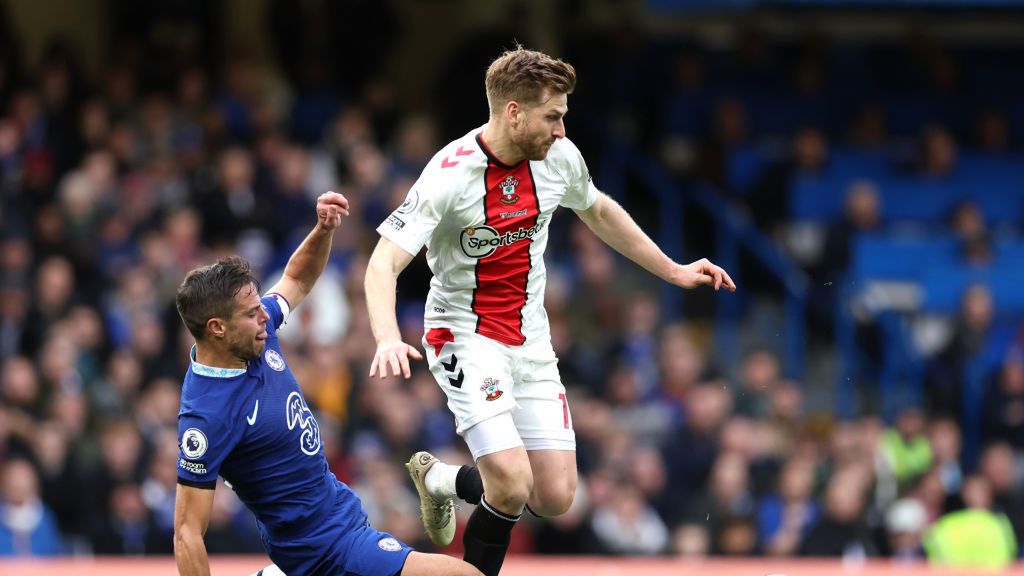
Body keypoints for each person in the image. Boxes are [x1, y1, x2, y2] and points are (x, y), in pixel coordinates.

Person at [365, 46, 735, 575]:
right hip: (464, 335)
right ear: (513, 111)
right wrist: (384, 336)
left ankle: (441, 480)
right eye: (553, 116)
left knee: (556, 497)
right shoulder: (449, 174)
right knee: (512, 483)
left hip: (530, 339)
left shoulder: (559, 158)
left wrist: (673, 269)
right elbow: (382, 264)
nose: (562, 129)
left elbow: (599, 210)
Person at [173, 191, 480, 576]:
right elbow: (187, 533)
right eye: (253, 314)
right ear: (217, 329)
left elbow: (297, 277)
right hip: (326, 551)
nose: (265, 318)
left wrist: (323, 228)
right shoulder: (206, 417)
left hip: (339, 518)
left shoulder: (251, 336)